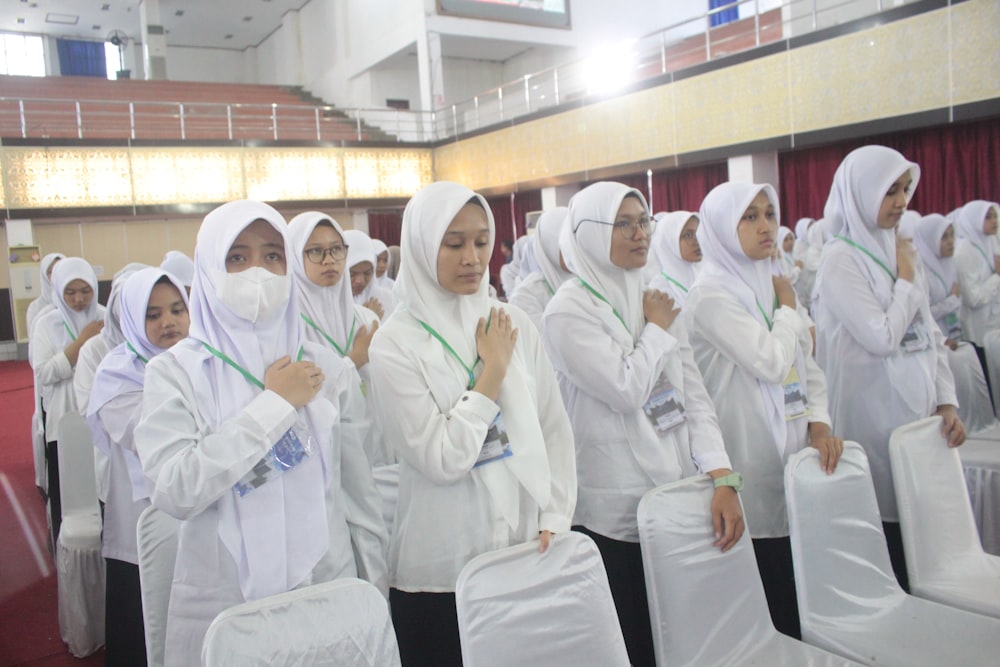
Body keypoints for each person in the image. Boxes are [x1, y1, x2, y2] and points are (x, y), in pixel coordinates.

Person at [133, 200, 388, 666]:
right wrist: (273, 406)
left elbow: (358, 489)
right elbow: (175, 489)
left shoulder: (323, 364)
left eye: (272, 256)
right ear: (210, 267)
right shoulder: (176, 372)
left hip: (326, 584)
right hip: (227, 599)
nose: (258, 273)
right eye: (237, 257)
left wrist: (375, 592)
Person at [368, 181, 576, 667]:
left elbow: (552, 426)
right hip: (442, 569)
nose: (472, 258)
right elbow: (443, 458)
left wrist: (555, 513)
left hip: (524, 551)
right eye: (453, 243)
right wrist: (492, 374)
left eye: (482, 241)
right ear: (421, 246)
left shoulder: (509, 319)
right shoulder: (394, 343)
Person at [542, 182, 743, 666]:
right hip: (614, 511)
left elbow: (695, 396)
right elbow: (626, 389)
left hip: (676, 495)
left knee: (686, 635)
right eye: (623, 223)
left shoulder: (658, 295)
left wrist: (722, 476)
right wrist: (654, 330)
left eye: (643, 221)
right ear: (588, 234)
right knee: (633, 641)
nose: (639, 234)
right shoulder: (566, 311)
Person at [685, 181, 838, 639]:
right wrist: (789, 312)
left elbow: (806, 364)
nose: (765, 226)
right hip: (747, 461)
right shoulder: (709, 296)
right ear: (721, 229)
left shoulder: (772, 286)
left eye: (769, 213)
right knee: (767, 592)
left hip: (795, 454)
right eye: (748, 217)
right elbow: (772, 361)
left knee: (802, 584)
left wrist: (820, 423)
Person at [811, 145, 964, 591]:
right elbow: (880, 337)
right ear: (860, 193)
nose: (901, 201)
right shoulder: (840, 258)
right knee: (887, 533)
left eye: (904, 190)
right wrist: (907, 283)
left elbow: (929, 334)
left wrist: (946, 400)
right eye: (889, 191)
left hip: (917, 416)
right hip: (870, 420)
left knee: (924, 533)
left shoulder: (897, 250)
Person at [87, 267, 190, 667]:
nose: (169, 322)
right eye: (153, 314)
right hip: (144, 515)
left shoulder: (206, 355)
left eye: (177, 309)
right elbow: (148, 438)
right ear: (131, 319)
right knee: (145, 612)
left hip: (200, 506)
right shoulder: (117, 374)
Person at [288, 212, 389, 466]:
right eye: (315, 251)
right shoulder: (289, 327)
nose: (329, 260)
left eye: (336, 250)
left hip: (371, 442)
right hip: (320, 453)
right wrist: (353, 361)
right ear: (294, 257)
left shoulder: (365, 318)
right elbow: (298, 398)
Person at [74, 262, 146, 507]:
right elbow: (89, 410)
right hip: (117, 465)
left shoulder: (171, 348)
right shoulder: (96, 351)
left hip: (166, 473)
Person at [954, 200, 1000, 391]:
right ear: (974, 220)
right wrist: (997, 276)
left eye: (995, 215)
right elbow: (973, 298)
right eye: (987, 217)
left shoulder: (992, 241)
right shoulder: (964, 251)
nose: (994, 220)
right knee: (990, 383)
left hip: (995, 324)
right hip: (979, 330)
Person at [508, 207, 571, 331]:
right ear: (549, 246)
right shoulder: (526, 295)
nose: (572, 249)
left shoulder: (587, 279)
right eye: (565, 243)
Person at [647, 211, 702, 308]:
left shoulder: (703, 275)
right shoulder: (658, 290)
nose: (697, 241)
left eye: (698, 233)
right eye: (688, 235)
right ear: (670, 241)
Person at [343, 229, 396, 320]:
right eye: (352, 274)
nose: (360, 281)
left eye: (367, 273)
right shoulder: (329, 304)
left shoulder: (386, 299)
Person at [26, 252, 65, 335]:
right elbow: (35, 337)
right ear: (44, 275)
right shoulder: (36, 307)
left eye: (59, 269)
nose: (55, 274)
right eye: (50, 271)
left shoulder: (79, 300)